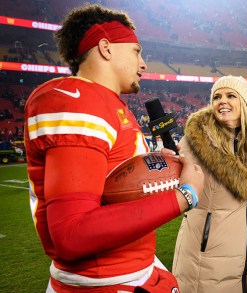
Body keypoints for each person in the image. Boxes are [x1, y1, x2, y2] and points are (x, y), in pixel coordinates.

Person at [24, 4, 204, 292]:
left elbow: (115, 180)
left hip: (129, 270)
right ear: (106, 48)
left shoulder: (107, 103)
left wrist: (155, 164)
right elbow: (72, 233)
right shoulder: (76, 100)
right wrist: (184, 196)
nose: (143, 63)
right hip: (102, 282)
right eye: (136, 51)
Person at [172, 76, 247, 293]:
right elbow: (176, 185)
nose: (222, 101)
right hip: (204, 256)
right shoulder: (194, 141)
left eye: (230, 95)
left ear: (244, 103)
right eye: (217, 97)